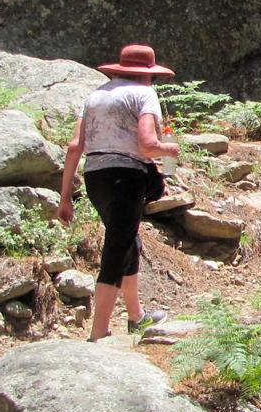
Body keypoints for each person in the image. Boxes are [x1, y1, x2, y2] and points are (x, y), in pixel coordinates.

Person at [57, 44, 180, 341]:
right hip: (126, 177)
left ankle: (136, 316)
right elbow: (147, 145)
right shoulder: (144, 94)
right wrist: (170, 149)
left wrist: (64, 197)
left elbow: (75, 146)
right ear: (147, 75)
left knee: (127, 239)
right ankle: (98, 333)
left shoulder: (95, 96)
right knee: (115, 248)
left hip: (95, 177)